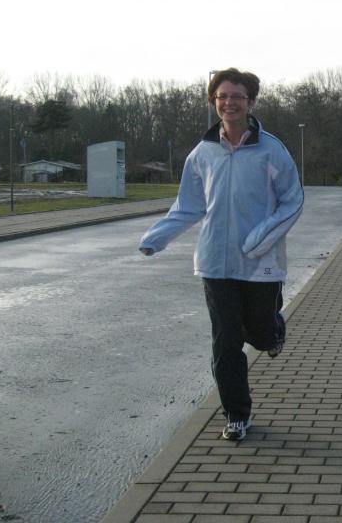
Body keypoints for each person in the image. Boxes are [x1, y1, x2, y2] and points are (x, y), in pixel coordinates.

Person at [139, 68, 303, 441]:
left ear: (251, 102)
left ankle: (273, 331)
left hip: (260, 263)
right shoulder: (203, 153)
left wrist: (261, 240)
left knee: (260, 334)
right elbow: (189, 205)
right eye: (222, 96)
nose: (229, 103)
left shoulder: (271, 150)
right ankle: (236, 415)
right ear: (214, 102)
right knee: (226, 341)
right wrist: (157, 237)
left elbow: (293, 201)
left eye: (237, 97)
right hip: (215, 264)